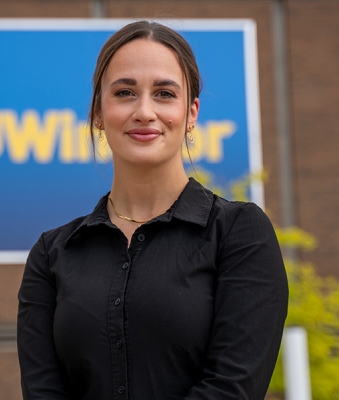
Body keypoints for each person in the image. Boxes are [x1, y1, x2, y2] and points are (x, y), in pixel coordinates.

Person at [17, 20, 288, 400]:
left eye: (164, 94)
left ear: (191, 113)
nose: (145, 111)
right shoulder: (51, 255)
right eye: (125, 92)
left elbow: (233, 389)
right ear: (98, 111)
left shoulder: (239, 234)